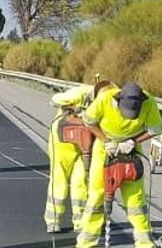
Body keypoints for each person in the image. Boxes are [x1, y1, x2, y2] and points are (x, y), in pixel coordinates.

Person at [73, 82, 162, 248]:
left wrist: (132, 141)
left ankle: (144, 247)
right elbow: (88, 122)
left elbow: (155, 129)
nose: (129, 117)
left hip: (131, 149)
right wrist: (107, 141)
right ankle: (84, 246)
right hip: (104, 148)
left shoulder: (149, 103)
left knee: (136, 201)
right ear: (119, 100)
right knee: (97, 196)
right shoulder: (105, 99)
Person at [45, 79, 112, 233]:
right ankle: (53, 219)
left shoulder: (108, 101)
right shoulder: (80, 93)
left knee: (81, 180)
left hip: (86, 140)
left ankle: (80, 221)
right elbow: (54, 99)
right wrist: (75, 108)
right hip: (62, 139)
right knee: (59, 177)